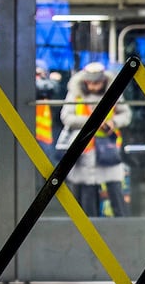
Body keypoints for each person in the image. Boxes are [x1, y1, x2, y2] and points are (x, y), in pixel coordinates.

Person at [56, 62, 133, 217]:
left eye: (97, 83)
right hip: (84, 151)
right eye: (90, 83)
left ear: (104, 81)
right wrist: (93, 121)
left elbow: (126, 114)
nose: (93, 86)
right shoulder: (75, 93)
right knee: (87, 196)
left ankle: (122, 226)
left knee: (115, 192)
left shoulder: (114, 91)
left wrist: (114, 122)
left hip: (108, 149)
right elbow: (66, 117)